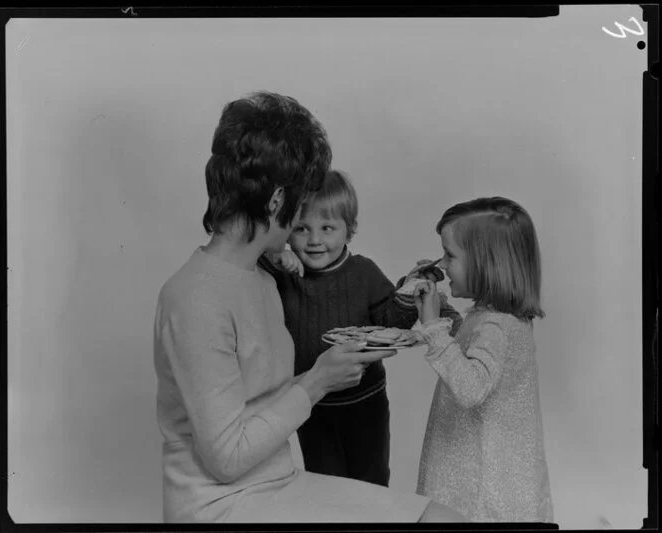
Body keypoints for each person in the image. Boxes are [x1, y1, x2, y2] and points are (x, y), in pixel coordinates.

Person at [153, 90, 466, 523]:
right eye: (303, 201)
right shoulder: (195, 299)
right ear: (278, 201)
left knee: (446, 520)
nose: (309, 225)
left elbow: (258, 402)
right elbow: (226, 458)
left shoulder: (261, 278)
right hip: (220, 506)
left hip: (278, 483)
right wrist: (318, 381)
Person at [257, 169, 462, 488]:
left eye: (327, 228)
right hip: (311, 405)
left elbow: (390, 321)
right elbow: (249, 259)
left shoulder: (363, 272)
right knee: (326, 487)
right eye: (301, 229)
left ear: (349, 230)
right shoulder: (284, 274)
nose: (314, 240)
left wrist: (408, 295)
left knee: (373, 482)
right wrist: (275, 254)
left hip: (367, 403)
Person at [412, 197, 554, 522]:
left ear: (485, 264)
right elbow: (474, 354)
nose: (443, 264)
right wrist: (442, 312)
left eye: (450, 255)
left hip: (481, 494)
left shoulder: (495, 325)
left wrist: (433, 328)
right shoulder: (498, 318)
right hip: (494, 480)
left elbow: (472, 387)